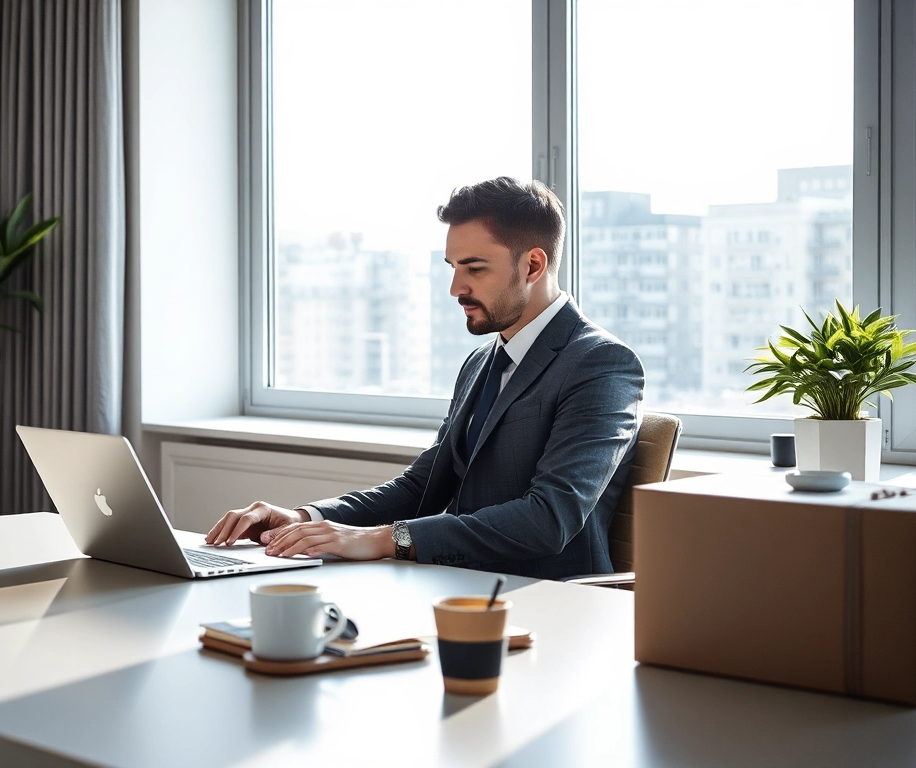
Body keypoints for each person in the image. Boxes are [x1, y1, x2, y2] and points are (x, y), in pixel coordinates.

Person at [205, 177, 644, 579]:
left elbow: (548, 519)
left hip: (545, 599)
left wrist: (383, 539)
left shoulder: (601, 363)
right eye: (452, 267)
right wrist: (306, 519)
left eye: (475, 268)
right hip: (457, 584)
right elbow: (423, 488)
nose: (456, 288)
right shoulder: (481, 363)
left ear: (532, 265)